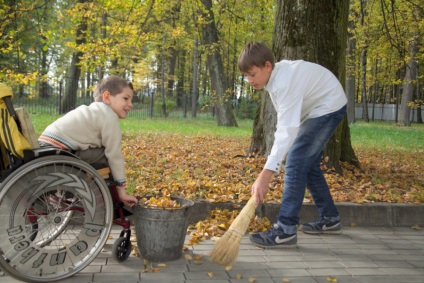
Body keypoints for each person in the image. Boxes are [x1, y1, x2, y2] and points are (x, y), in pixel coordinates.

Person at [238, 42, 347, 248]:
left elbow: (287, 130)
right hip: (319, 107)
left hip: (329, 105)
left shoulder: (284, 83)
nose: (249, 81)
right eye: (246, 76)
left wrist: (265, 175)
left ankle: (286, 230)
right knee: (308, 164)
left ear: (267, 66)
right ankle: (330, 219)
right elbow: (287, 126)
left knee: (296, 161)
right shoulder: (275, 80)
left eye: (252, 74)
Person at [38, 75, 138, 207]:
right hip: (59, 153)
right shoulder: (108, 115)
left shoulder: (92, 111)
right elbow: (114, 155)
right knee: (106, 157)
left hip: (47, 149)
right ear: (107, 97)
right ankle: (110, 201)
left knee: (100, 154)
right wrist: (122, 190)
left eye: (131, 99)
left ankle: (66, 193)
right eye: (125, 98)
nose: (130, 104)